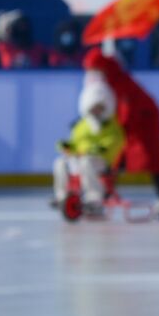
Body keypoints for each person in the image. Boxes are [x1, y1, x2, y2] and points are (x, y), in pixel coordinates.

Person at [84, 43, 159, 219]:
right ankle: (105, 194)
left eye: (94, 69)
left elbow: (127, 108)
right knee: (118, 157)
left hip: (145, 121)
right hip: (133, 121)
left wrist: (121, 128)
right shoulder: (109, 80)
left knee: (152, 157)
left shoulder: (119, 80)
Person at [52, 79, 126, 217]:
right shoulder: (82, 125)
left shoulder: (112, 126)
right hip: (80, 159)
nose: (96, 111)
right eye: (93, 107)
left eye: (99, 107)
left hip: (101, 162)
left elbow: (115, 142)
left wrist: (98, 149)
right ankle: (61, 196)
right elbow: (74, 142)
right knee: (60, 163)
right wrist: (67, 146)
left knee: (87, 161)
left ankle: (94, 197)